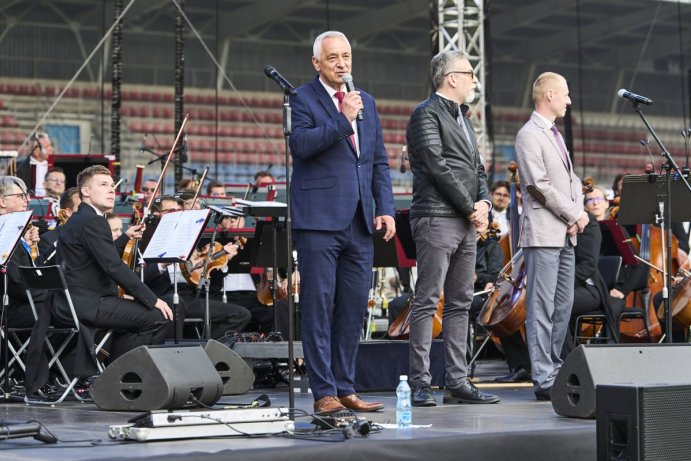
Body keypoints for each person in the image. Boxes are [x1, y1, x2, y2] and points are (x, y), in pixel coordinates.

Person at [289, 30, 395, 414]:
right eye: (332, 57)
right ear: (317, 63)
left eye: (346, 56)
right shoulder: (302, 97)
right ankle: (324, 392)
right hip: (318, 220)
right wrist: (341, 118)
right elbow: (300, 146)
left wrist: (384, 206)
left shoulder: (365, 100)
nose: (341, 63)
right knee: (319, 307)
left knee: (353, 307)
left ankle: (346, 386)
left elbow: (377, 160)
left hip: (360, 220)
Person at [406, 50, 499, 407]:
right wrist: (471, 208)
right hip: (437, 216)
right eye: (470, 73)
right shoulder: (424, 114)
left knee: (459, 302)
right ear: (451, 78)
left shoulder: (464, 118)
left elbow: (477, 168)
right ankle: (420, 382)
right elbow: (435, 165)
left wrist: (485, 204)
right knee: (427, 300)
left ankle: (457, 381)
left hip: (464, 220)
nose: (474, 79)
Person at [52, 165, 173, 367]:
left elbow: (99, 256)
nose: (111, 190)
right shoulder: (93, 221)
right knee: (158, 317)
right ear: (85, 191)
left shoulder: (82, 219)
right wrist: (152, 299)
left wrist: (124, 237)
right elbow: (113, 267)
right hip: (87, 303)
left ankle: (114, 370)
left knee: (140, 317)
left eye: (111, 185)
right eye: (103, 185)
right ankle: (120, 373)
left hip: (72, 303)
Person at [515, 72, 589, 401]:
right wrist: (574, 214)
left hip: (566, 233)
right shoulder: (529, 135)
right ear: (548, 96)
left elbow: (572, 181)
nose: (569, 101)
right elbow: (538, 185)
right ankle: (543, 376)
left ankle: (555, 367)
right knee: (541, 307)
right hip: (545, 234)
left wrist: (579, 212)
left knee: (564, 304)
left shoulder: (554, 135)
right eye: (565, 95)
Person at [0, 176, 42, 328]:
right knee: (66, 308)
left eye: (26, 195)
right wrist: (52, 294)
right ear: (2, 201)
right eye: (20, 196)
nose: (27, 199)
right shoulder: (4, 233)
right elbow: (17, 284)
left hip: (19, 304)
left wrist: (28, 246)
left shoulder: (15, 233)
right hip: (9, 310)